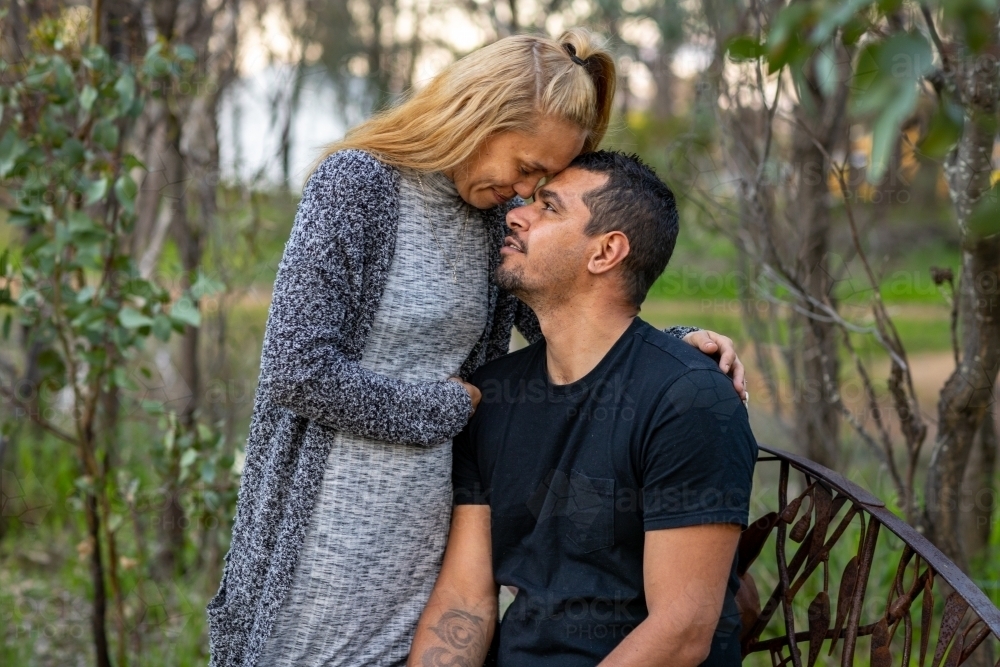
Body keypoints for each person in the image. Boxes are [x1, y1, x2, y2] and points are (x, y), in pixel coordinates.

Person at [207, 30, 747, 667]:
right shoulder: (360, 186)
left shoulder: (492, 218)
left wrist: (676, 352)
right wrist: (447, 408)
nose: (523, 192)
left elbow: (574, 318)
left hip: (426, 554)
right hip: (320, 550)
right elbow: (295, 370)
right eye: (525, 168)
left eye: (542, 180)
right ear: (479, 116)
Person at [409, 151, 758, 667]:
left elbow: (681, 632)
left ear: (606, 252)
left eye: (548, 207)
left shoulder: (690, 402)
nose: (515, 213)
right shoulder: (495, 394)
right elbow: (465, 599)